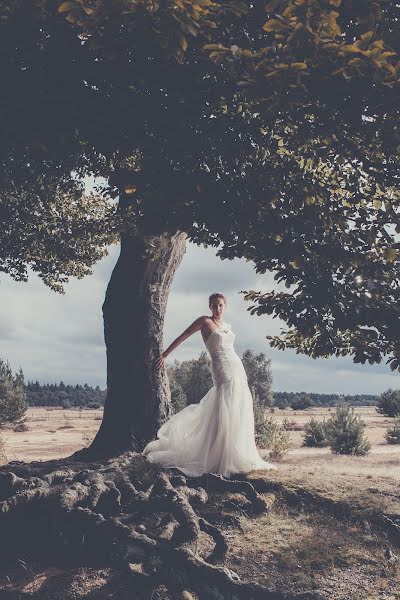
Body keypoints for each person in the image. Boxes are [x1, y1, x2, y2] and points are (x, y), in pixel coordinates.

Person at [142, 292, 277, 477]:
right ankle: (218, 454)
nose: (217, 309)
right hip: (221, 368)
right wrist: (165, 355)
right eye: (214, 305)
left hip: (237, 367)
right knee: (223, 404)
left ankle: (235, 452)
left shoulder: (227, 326)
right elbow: (184, 335)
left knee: (238, 404)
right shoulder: (205, 321)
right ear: (209, 307)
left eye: (220, 305)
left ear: (225, 306)